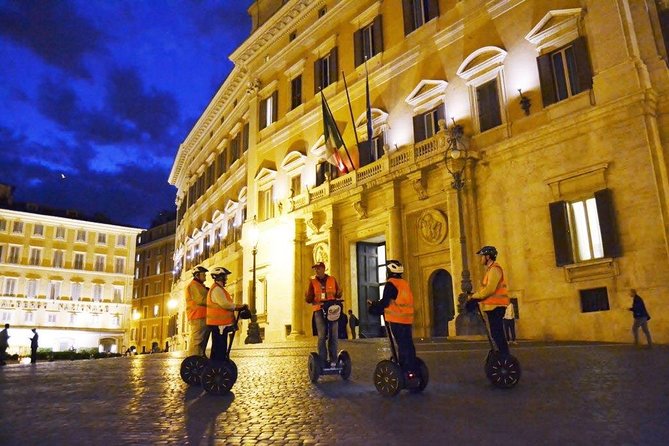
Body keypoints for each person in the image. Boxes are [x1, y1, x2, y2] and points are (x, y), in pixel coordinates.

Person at [368, 260, 417, 372]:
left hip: (396, 320)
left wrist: (373, 306)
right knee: (408, 344)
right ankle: (412, 368)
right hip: (407, 319)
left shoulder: (391, 284)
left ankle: (404, 369)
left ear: (389, 271)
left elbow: (385, 302)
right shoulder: (404, 283)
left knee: (401, 345)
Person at [466, 246, 511, 356]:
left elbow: (490, 289)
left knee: (497, 333)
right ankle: (503, 355)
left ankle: (505, 357)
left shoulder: (495, 269)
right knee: (496, 333)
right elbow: (485, 290)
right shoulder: (490, 270)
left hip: (496, 307)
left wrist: (475, 297)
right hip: (492, 307)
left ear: (488, 257)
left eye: (482, 256)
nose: (480, 259)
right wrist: (476, 297)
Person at [305, 261, 343, 367]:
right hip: (319, 310)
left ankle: (334, 360)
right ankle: (322, 360)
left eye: (318, 268)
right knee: (322, 336)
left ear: (323, 269)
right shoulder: (312, 282)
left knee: (333, 335)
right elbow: (309, 298)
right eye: (315, 269)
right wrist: (308, 296)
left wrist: (340, 293)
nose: (316, 270)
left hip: (332, 309)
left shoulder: (332, 279)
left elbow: (337, 294)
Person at [206, 266, 248, 360]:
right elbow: (225, 304)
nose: (226, 278)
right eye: (225, 276)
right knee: (219, 348)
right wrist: (238, 306)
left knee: (220, 347)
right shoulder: (217, 289)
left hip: (220, 324)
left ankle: (218, 365)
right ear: (220, 277)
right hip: (219, 324)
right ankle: (217, 366)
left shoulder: (219, 289)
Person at [185, 266, 210, 356]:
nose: (205, 276)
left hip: (202, 316)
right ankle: (194, 359)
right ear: (197, 275)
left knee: (201, 340)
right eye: (204, 274)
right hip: (197, 316)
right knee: (197, 341)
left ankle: (199, 358)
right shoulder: (194, 285)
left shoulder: (199, 286)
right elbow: (200, 300)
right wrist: (213, 302)